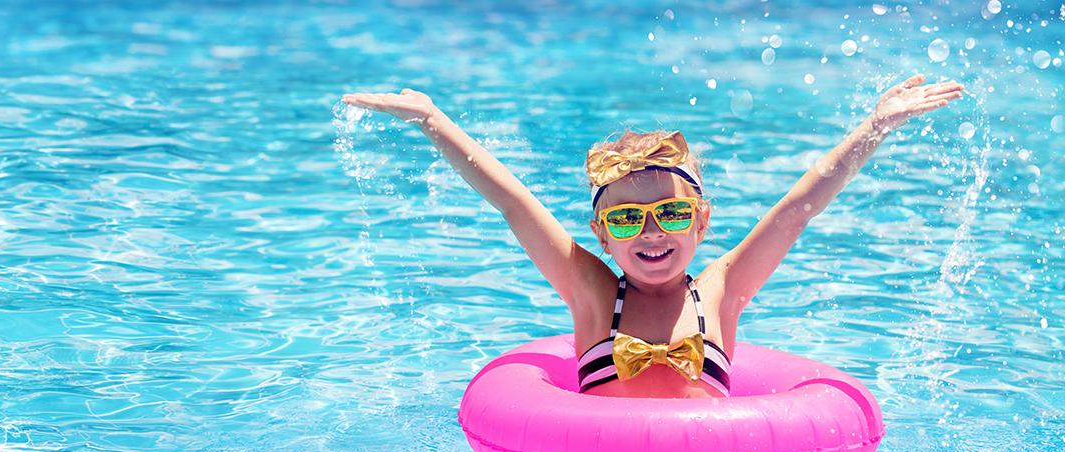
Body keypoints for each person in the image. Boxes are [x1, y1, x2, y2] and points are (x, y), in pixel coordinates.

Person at [342, 74, 963, 399]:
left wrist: (875, 127)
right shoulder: (590, 292)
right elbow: (512, 203)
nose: (650, 233)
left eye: (668, 213)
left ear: (700, 221)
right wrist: (433, 121)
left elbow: (797, 209)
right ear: (601, 234)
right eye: (624, 219)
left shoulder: (720, 292)